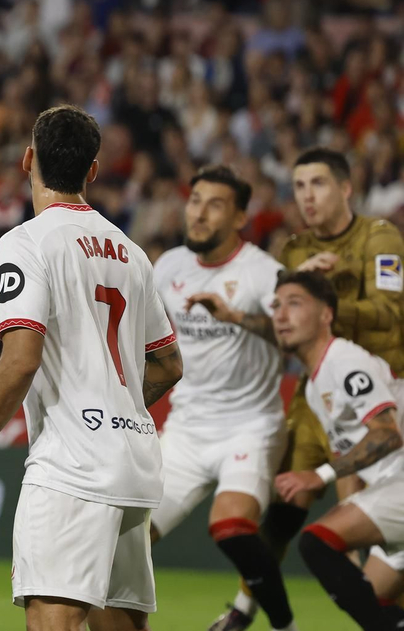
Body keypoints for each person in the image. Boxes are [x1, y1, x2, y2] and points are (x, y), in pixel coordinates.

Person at [0, 106, 184, 631]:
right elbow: (167, 363)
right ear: (93, 171)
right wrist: (119, 408)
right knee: (120, 624)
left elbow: (21, 358)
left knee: (53, 621)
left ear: (28, 160)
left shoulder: (26, 242)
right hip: (134, 460)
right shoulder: (131, 252)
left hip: (73, 466)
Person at [219, 147, 404, 630]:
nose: (307, 196)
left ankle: (377, 600)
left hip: (376, 388)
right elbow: (288, 322)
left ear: (345, 188)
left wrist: (330, 291)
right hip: (317, 395)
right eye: (299, 186)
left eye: (318, 184)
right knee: (285, 506)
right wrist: (239, 316)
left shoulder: (380, 237)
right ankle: (246, 606)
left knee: (350, 519)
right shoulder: (295, 249)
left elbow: (392, 315)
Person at [150, 166, 298, 631]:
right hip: (186, 430)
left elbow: (291, 338)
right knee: (121, 539)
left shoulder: (263, 272)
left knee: (230, 527)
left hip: (250, 426)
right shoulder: (169, 266)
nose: (199, 212)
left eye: (214, 204)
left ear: (239, 217)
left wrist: (237, 317)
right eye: (195, 200)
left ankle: (284, 627)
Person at [267, 270, 404, 630]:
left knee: (316, 544)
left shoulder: (344, 361)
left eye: (294, 304)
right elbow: (353, 453)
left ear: (327, 314)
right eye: (276, 305)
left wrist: (320, 475)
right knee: (371, 599)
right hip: (391, 489)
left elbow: (388, 434)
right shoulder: (315, 386)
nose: (281, 315)